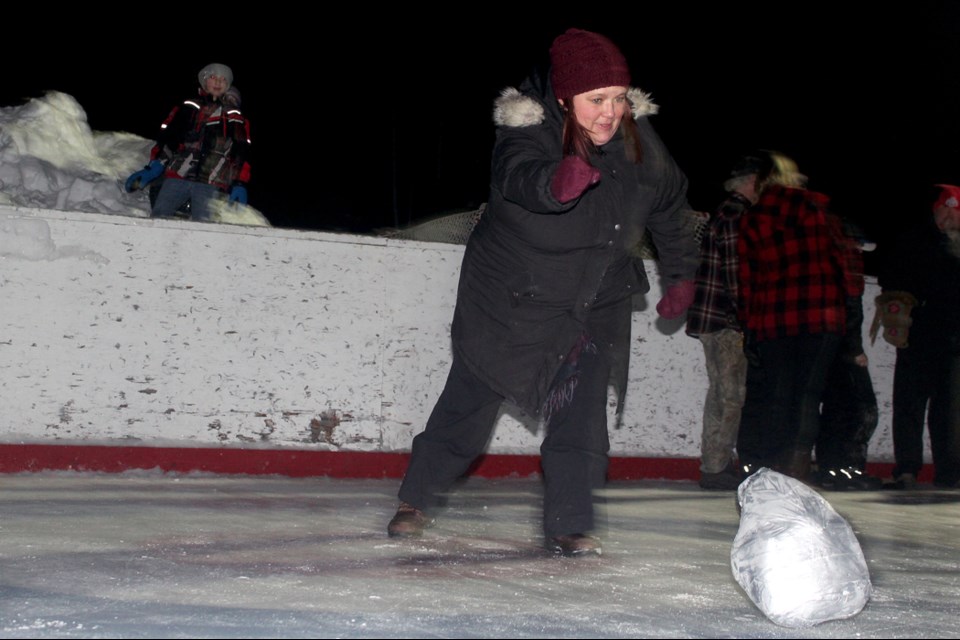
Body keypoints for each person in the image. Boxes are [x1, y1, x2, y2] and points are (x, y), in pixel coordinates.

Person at [386, 28, 699, 556]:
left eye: (620, 98)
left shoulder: (638, 138)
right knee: (472, 399)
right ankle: (415, 499)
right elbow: (518, 175)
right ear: (562, 97)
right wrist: (556, 184)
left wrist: (682, 272)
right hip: (512, 295)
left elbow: (668, 203)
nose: (611, 112)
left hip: (596, 294)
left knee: (581, 413)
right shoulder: (526, 129)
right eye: (597, 100)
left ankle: (570, 524)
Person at [735, 154, 852, 482]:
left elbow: (748, 281)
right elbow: (842, 263)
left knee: (777, 393)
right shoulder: (814, 209)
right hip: (820, 315)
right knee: (807, 395)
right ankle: (797, 466)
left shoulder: (752, 218)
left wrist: (750, 326)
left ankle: (773, 467)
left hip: (773, 318)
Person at [685, 150, 776, 490]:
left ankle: (714, 464)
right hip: (727, 320)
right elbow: (738, 275)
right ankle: (715, 467)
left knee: (722, 393)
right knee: (730, 395)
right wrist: (748, 318)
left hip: (716, 318)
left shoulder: (725, 213)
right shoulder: (738, 215)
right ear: (753, 183)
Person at [874, 184, 960, 489]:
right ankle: (907, 468)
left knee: (949, 412)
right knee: (909, 406)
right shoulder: (913, 241)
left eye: (957, 210)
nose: (953, 215)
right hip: (917, 336)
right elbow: (890, 276)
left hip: (953, 342)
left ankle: (950, 471)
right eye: (948, 208)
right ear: (936, 209)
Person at [125, 63, 251, 222]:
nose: (218, 82)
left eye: (223, 80)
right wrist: (154, 166)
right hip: (178, 174)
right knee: (160, 215)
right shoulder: (189, 107)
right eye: (213, 77)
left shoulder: (235, 118)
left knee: (205, 224)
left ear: (228, 86)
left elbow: (241, 152)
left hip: (211, 181)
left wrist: (239, 182)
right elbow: (169, 138)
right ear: (204, 81)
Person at [813, 218, 883, 490]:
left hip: (824, 344)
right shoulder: (847, 261)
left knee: (835, 409)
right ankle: (846, 469)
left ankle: (831, 469)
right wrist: (854, 350)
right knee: (860, 410)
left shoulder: (824, 261)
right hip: (841, 346)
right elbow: (850, 307)